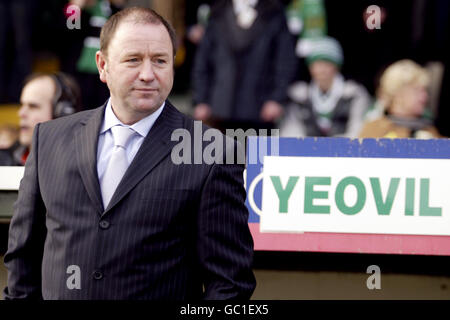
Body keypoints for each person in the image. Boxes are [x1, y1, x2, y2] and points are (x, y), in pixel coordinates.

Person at [3, 7, 256, 300]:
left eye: (160, 61)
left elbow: (229, 286)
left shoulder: (212, 152)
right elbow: (23, 259)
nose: (148, 74)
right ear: (102, 65)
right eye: (133, 60)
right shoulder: (49, 139)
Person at [192, 0, 297, 131]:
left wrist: (276, 98)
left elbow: (285, 60)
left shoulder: (274, 13)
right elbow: (203, 61)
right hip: (220, 108)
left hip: (261, 110)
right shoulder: (217, 12)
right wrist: (201, 100)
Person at [280, 37, 371, 137]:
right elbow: (291, 131)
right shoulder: (298, 96)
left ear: (337, 66)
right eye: (317, 64)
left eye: (327, 64)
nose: (322, 70)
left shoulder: (354, 94)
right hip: (306, 150)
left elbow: (359, 131)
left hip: (344, 150)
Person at [0, 72, 82, 166]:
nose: (21, 113)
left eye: (33, 106)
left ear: (62, 114)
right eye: (22, 105)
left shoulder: (82, 165)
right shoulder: (4, 160)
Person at [359, 59, 442, 139]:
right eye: (417, 90)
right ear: (398, 93)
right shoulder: (375, 130)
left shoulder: (429, 130)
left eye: (425, 91)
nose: (424, 96)